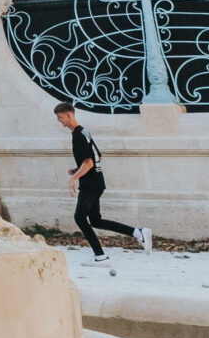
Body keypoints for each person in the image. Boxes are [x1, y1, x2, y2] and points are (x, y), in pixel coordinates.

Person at [56, 101, 151, 265]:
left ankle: (100, 256)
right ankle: (138, 232)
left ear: (69, 115)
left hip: (90, 184)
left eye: (60, 117)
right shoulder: (83, 132)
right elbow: (97, 157)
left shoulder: (79, 135)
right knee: (95, 221)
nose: (59, 121)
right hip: (95, 182)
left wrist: (74, 178)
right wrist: (77, 169)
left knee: (80, 217)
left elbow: (90, 163)